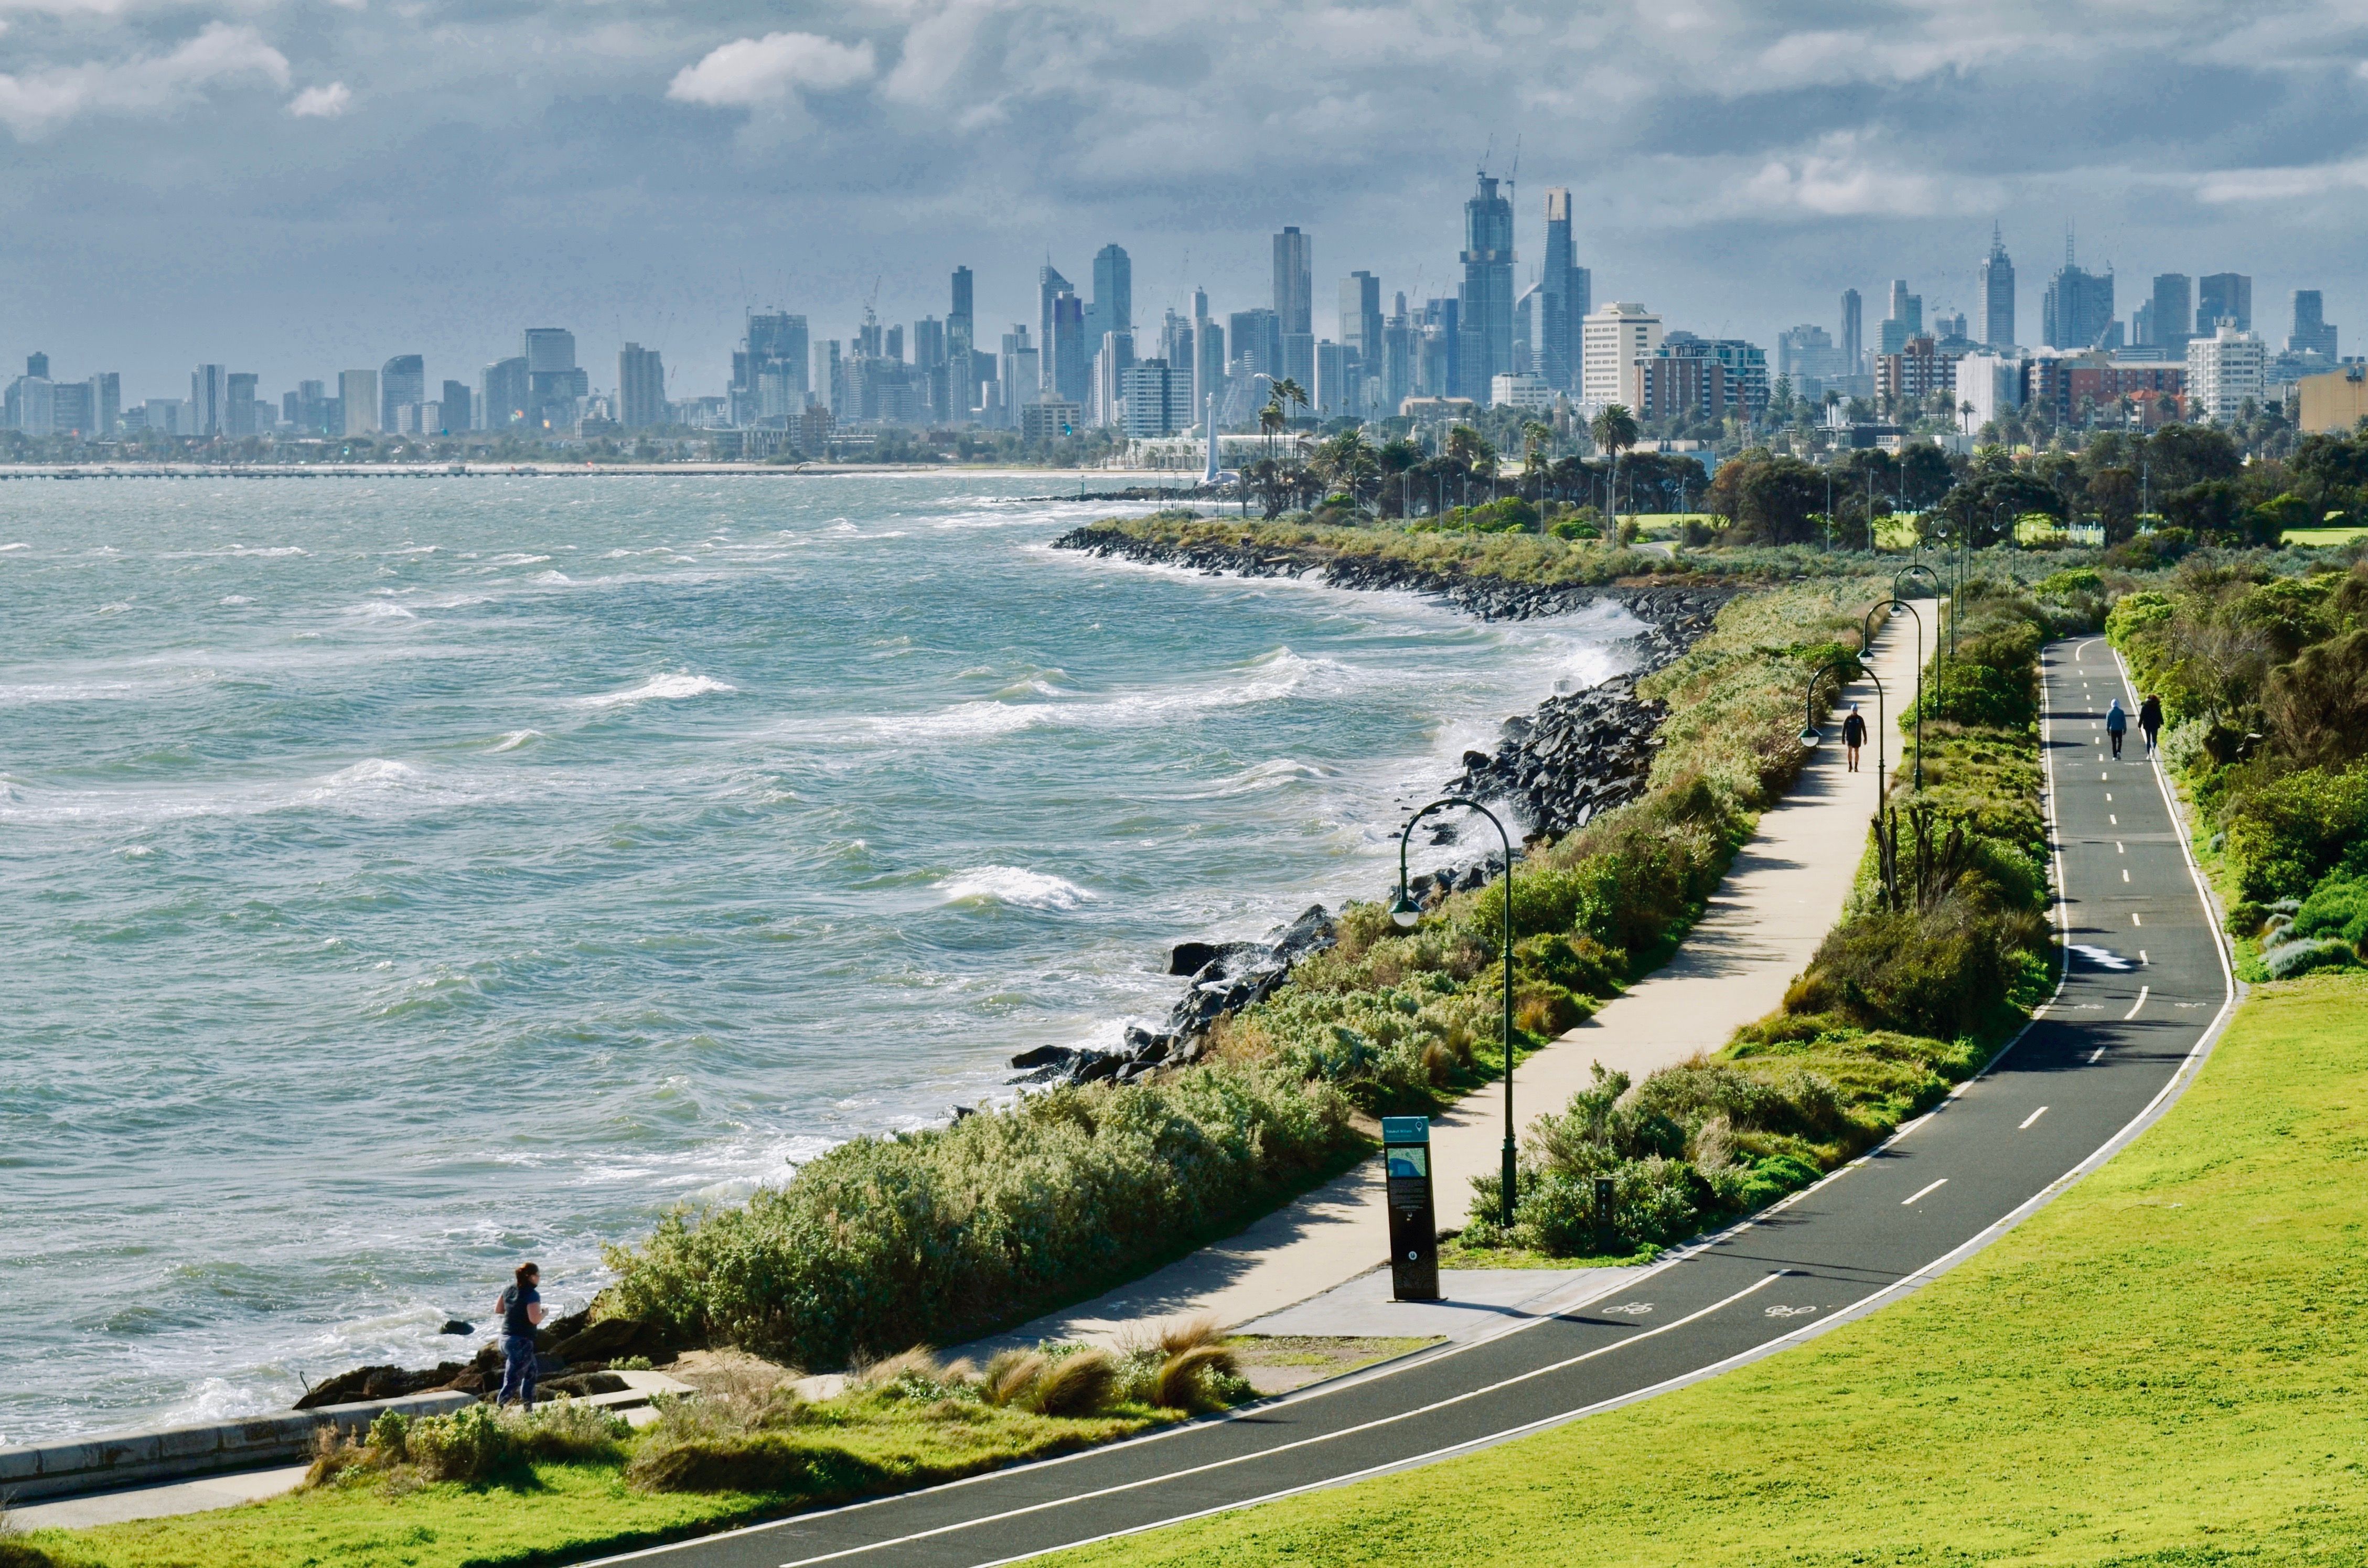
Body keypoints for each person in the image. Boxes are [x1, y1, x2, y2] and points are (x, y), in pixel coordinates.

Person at [495, 1261, 544, 1410]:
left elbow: (498, 1309)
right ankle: (497, 1413)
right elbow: (534, 1319)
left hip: (505, 1340)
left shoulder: (508, 1290)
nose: (539, 1278)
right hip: (520, 1343)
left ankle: (528, 1411)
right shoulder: (532, 1294)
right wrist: (544, 1314)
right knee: (512, 1382)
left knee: (531, 1374)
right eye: (538, 1275)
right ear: (530, 1277)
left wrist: (516, 1312)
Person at [1840, 704, 1867, 772]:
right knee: (1850, 751)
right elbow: (1844, 729)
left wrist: (1865, 738)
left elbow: (1864, 728)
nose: (1855, 712)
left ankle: (1856, 767)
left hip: (1857, 738)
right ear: (1851, 711)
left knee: (1857, 751)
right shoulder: (1848, 718)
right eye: (1854, 710)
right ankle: (1850, 766)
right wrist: (1843, 739)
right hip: (1850, 738)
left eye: (1856, 710)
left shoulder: (1860, 719)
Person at [2139, 693, 2164, 757]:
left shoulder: (2145, 706)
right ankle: (2153, 748)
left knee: (2148, 740)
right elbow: (2160, 715)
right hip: (2155, 724)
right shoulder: (2157, 706)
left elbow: (2142, 717)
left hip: (2147, 724)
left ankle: (2148, 755)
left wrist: (2139, 725)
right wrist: (2162, 722)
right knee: (2154, 740)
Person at [2106, 696, 2128, 760]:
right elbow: (2124, 721)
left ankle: (2114, 756)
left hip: (2112, 729)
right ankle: (2119, 751)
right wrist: (2125, 729)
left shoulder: (2109, 712)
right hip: (2119, 729)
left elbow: (2108, 722)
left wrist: (2107, 730)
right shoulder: (2121, 712)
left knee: (2114, 743)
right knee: (2120, 741)